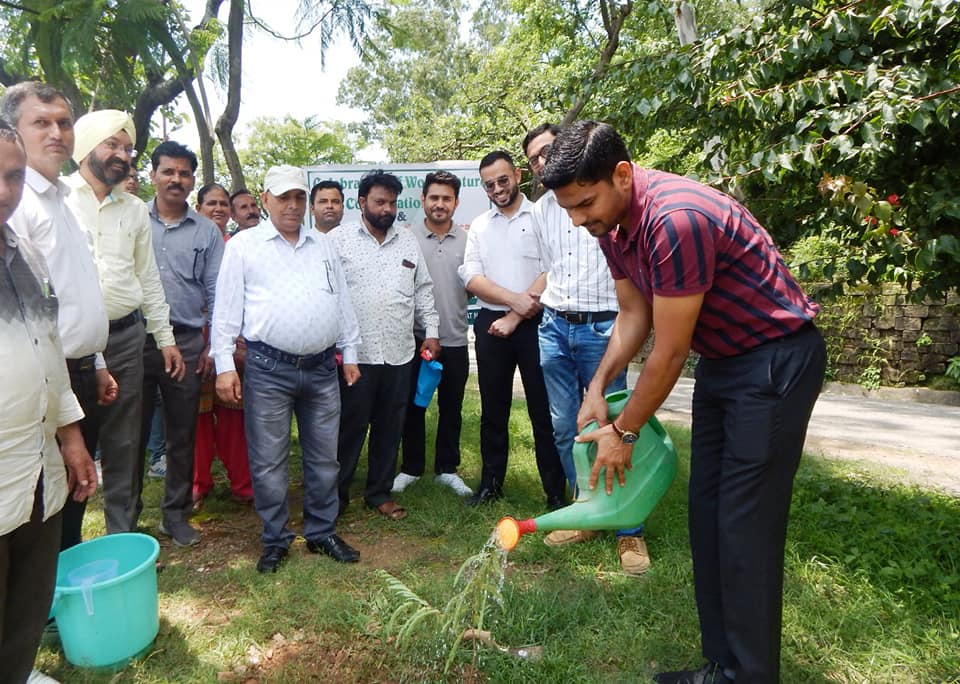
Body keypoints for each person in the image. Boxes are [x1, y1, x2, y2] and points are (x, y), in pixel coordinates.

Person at [541, 121, 826, 684]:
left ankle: (750, 676)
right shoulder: (613, 224)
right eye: (569, 208)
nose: (577, 220)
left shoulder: (677, 220)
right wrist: (597, 387)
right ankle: (722, 667)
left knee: (744, 528)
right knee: (709, 518)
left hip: (772, 362)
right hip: (722, 363)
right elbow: (634, 314)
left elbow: (669, 352)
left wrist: (623, 432)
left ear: (622, 175)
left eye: (585, 204)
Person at [212, 164, 362, 572]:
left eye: (298, 197)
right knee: (268, 460)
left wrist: (350, 353)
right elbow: (226, 307)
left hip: (322, 368)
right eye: (283, 197)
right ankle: (275, 538)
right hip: (267, 368)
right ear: (266, 200)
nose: (292, 205)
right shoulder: (244, 246)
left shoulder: (323, 244)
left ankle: (321, 531)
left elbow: (340, 300)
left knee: (325, 457)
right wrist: (224, 365)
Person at [523, 123, 649, 575]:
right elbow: (549, 269)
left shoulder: (612, 205)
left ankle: (628, 529)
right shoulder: (542, 211)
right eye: (534, 159)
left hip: (603, 327)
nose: (542, 162)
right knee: (565, 428)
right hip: (555, 326)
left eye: (548, 152)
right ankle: (587, 515)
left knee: (613, 427)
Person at [0, 116, 98, 684]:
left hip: (38, 470)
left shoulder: (26, 255)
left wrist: (72, 436)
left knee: (27, 604)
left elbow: (49, 354)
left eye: (14, 176)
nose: (5, 192)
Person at [1, 81, 117, 552]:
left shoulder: (63, 200)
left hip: (79, 372)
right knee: (42, 504)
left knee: (74, 491)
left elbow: (73, 294)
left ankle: (61, 584)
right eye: (41, 123)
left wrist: (99, 361)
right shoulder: (16, 203)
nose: (56, 133)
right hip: (43, 382)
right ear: (14, 131)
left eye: (64, 123)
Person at [65, 110, 184, 535]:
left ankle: (122, 541)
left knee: (126, 442)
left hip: (127, 338)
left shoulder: (134, 210)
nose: (122, 155)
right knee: (70, 441)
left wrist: (165, 338)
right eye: (112, 144)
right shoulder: (58, 199)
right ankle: (65, 546)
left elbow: (147, 277)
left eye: (128, 148)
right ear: (85, 146)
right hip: (70, 344)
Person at [459, 150, 566, 510]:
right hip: (491, 325)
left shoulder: (541, 216)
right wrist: (513, 302)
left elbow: (552, 268)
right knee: (493, 410)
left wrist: (518, 314)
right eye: (488, 184)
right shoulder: (480, 225)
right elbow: (472, 278)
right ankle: (490, 486)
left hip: (536, 324)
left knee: (543, 410)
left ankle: (555, 493)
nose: (497, 189)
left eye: (502, 180)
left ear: (517, 175)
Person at [331, 169, 440, 521]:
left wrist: (432, 331)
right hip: (355, 355)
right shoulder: (338, 240)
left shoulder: (407, 241)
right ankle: (335, 496)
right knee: (348, 428)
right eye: (380, 202)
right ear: (362, 202)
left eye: (392, 203)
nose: (387, 209)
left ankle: (378, 493)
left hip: (398, 352)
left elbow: (423, 289)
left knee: (390, 427)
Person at [141, 141, 223, 547]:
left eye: (184, 173)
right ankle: (124, 523)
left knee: (182, 432)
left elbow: (217, 291)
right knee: (129, 436)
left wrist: (212, 345)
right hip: (135, 340)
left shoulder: (207, 231)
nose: (176, 179)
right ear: (153, 174)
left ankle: (175, 516)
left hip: (188, 341)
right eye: (168, 171)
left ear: (192, 180)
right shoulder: (133, 219)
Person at [393, 171, 472, 497]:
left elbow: (473, 285)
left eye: (446, 198)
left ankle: (447, 469)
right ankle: (411, 468)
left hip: (454, 337)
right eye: (434, 197)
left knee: (452, 407)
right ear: (423, 199)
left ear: (456, 202)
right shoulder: (405, 238)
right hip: (414, 338)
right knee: (412, 406)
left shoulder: (469, 240)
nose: (440, 204)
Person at [192, 182, 253, 507]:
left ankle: (243, 485)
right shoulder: (189, 241)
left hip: (233, 339)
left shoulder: (238, 246)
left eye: (223, 204)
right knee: (198, 417)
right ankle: (198, 484)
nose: (218, 209)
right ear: (198, 208)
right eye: (210, 203)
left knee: (234, 415)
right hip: (194, 338)